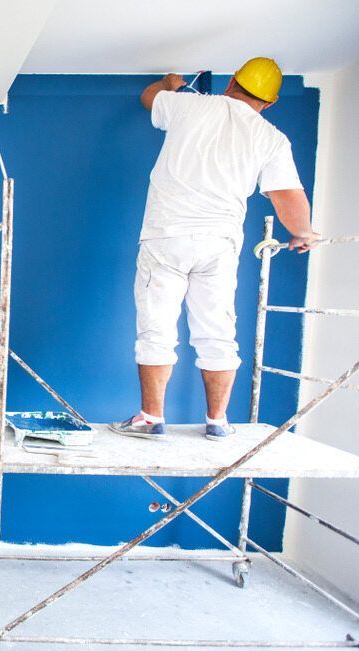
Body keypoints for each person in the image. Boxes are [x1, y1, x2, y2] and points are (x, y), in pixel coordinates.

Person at [110, 57, 319, 441]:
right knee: (218, 333)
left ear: (231, 83)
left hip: (165, 236)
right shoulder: (271, 137)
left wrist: (169, 82)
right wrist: (302, 232)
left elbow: (148, 98)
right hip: (219, 243)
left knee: (156, 329)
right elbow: (288, 194)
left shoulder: (190, 105)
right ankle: (218, 422)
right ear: (268, 103)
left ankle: (151, 418)